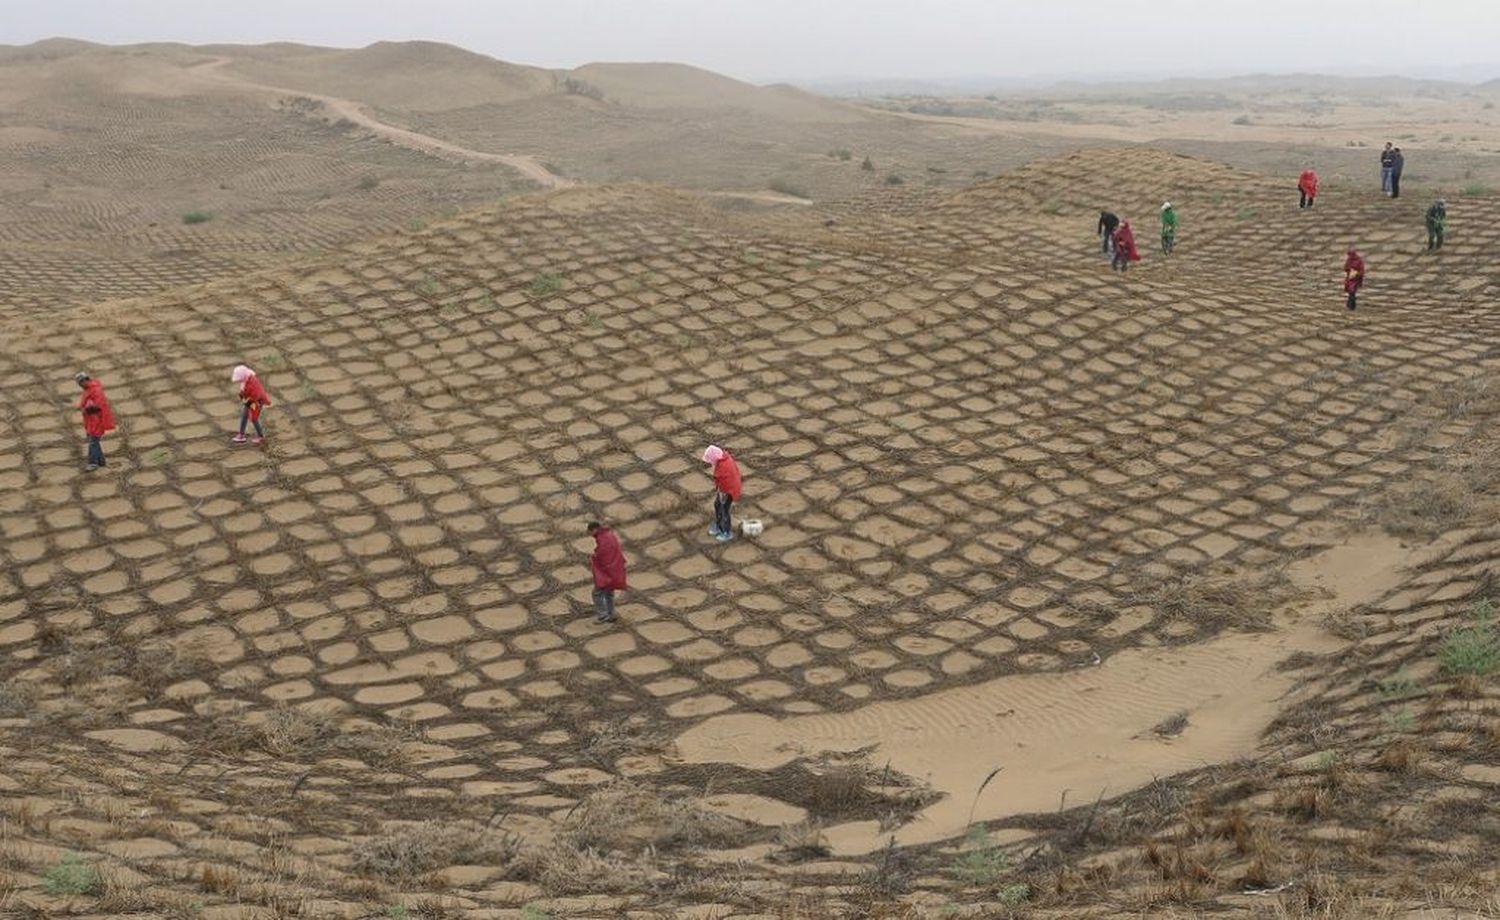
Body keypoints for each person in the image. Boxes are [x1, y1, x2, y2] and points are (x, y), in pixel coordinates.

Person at [587, 521, 628, 624]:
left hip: (608, 570)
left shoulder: (602, 538)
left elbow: (603, 554)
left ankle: (603, 615)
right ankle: (611, 613)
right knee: (609, 592)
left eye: (590, 532)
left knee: (597, 593)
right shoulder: (609, 534)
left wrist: (595, 557)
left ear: (594, 529)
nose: (591, 534)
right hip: (615, 568)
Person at [75, 372, 116, 472]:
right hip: (91, 420)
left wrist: (86, 410)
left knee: (93, 441)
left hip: (96, 419)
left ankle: (93, 463)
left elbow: (99, 405)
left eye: (80, 383)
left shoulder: (95, 390)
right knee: (94, 440)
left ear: (85, 380)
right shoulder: (89, 389)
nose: (80, 386)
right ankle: (101, 461)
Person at [702, 444, 742, 541]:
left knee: (724, 509)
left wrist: (722, 494)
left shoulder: (724, 466)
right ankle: (718, 526)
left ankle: (726, 532)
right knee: (717, 505)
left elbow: (725, 482)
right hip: (725, 489)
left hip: (729, 490)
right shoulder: (722, 459)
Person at [231, 364, 272, 444]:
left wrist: (247, 401)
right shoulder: (245, 380)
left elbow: (256, 395)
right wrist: (242, 396)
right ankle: (241, 435)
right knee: (244, 415)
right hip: (249, 401)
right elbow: (244, 391)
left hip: (257, 402)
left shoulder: (252, 382)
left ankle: (260, 436)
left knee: (254, 418)